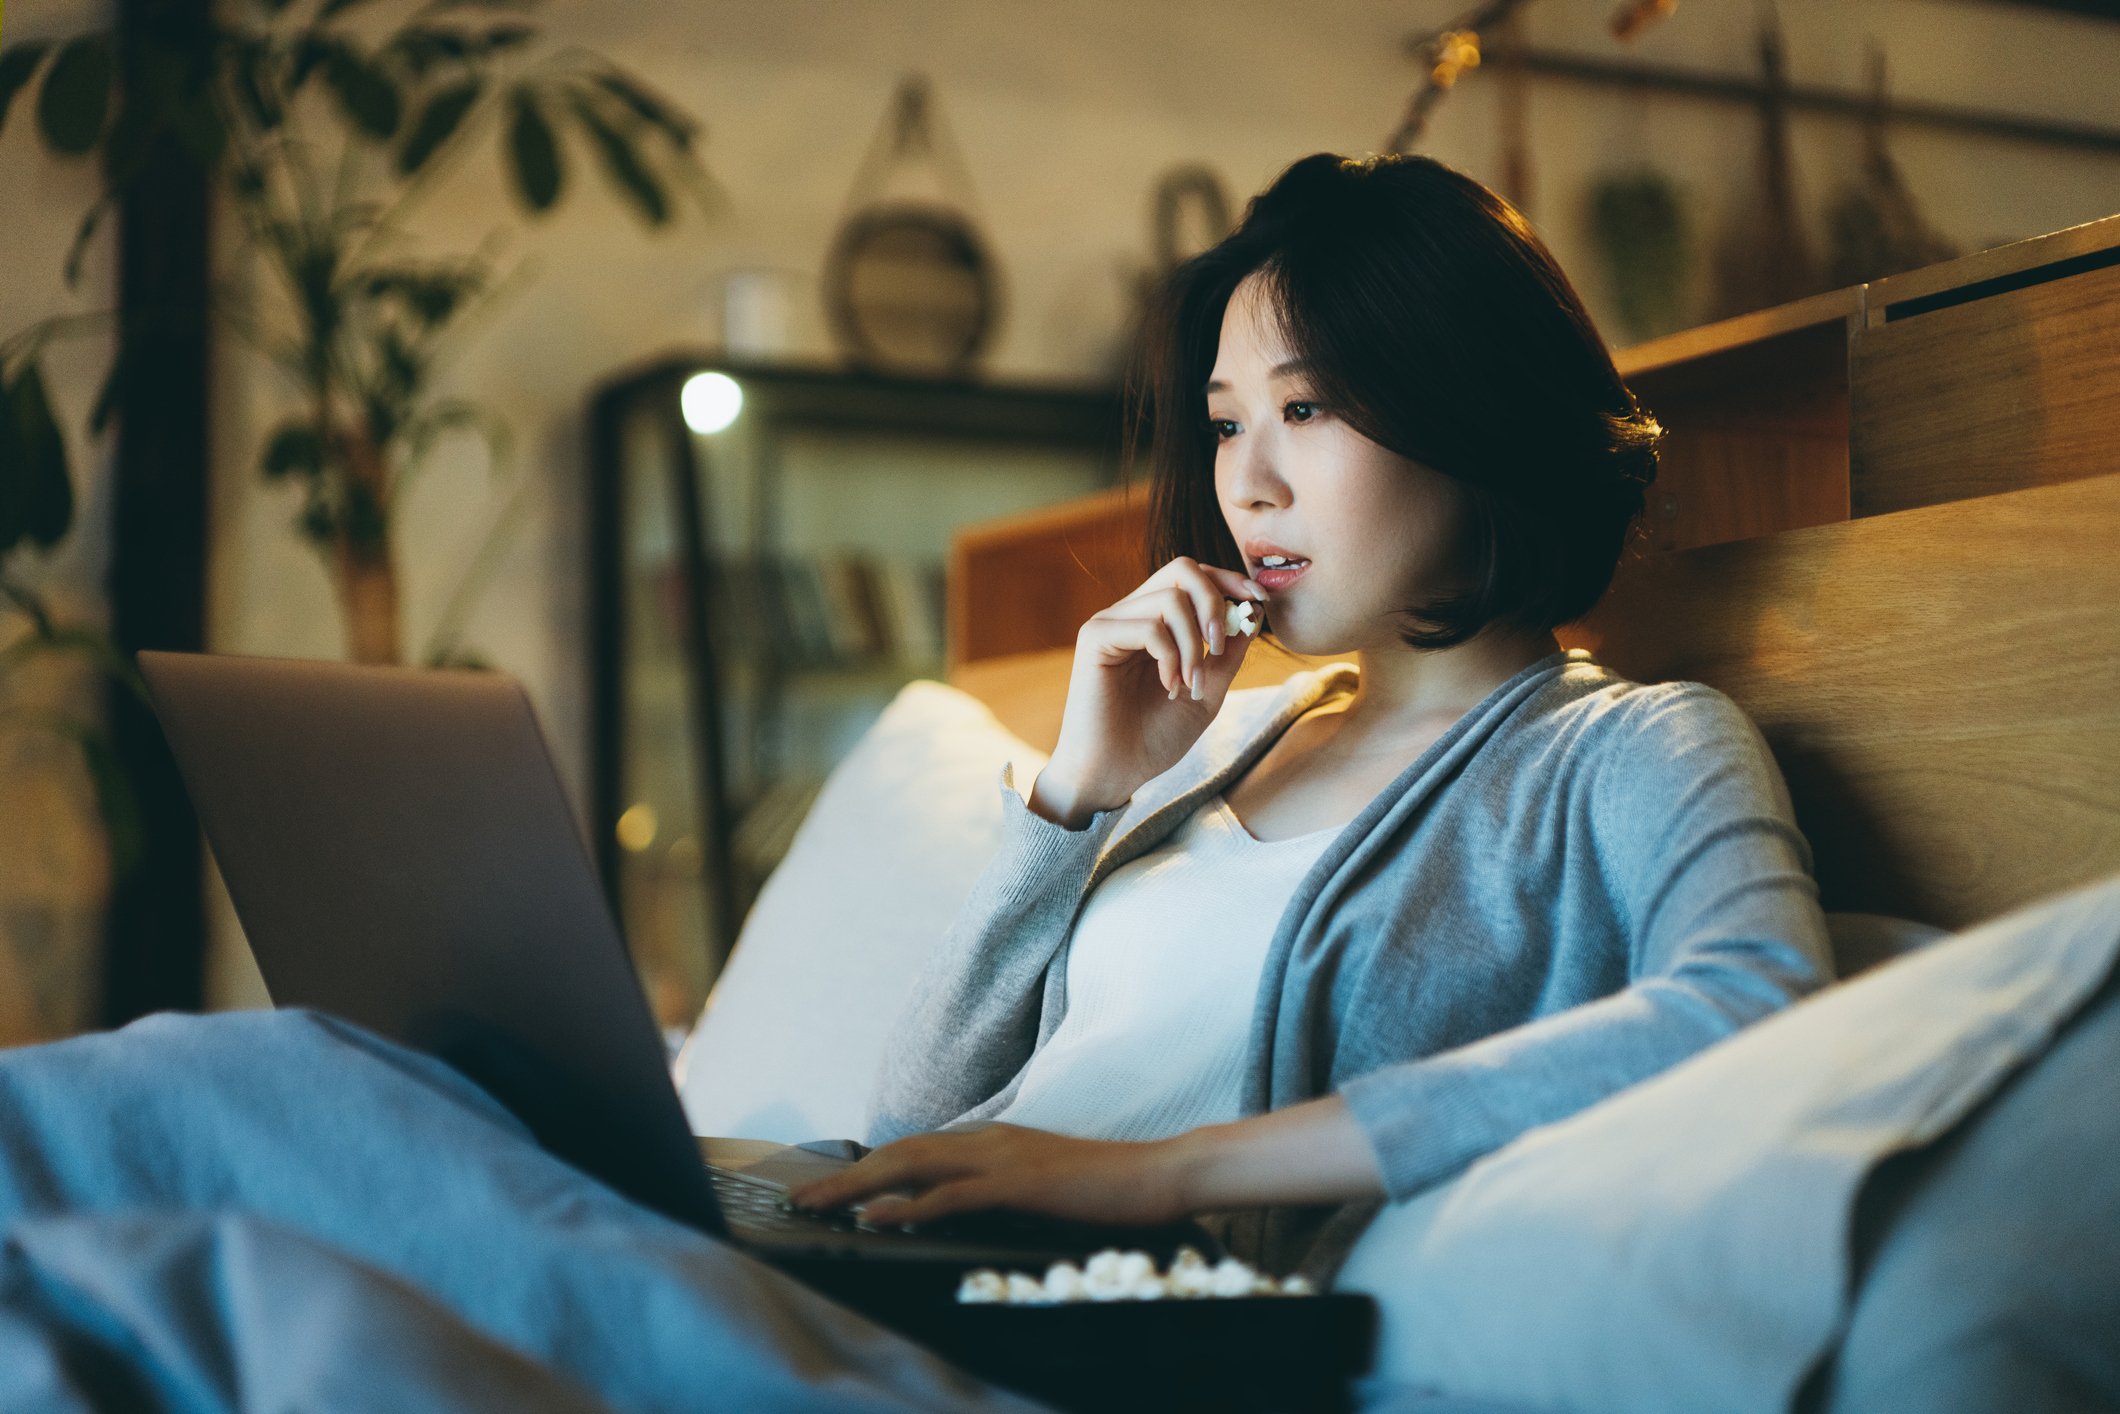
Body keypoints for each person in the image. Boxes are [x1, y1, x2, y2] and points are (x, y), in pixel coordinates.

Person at [790, 150, 1836, 1276]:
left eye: (1305, 405)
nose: (1246, 483)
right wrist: (1076, 793)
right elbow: (906, 1130)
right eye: (1226, 422)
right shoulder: (1231, 741)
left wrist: (1164, 1172)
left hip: (1133, 1332)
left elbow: (1756, 1009)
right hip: (934, 1276)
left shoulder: (1627, 748)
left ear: (1472, 409)